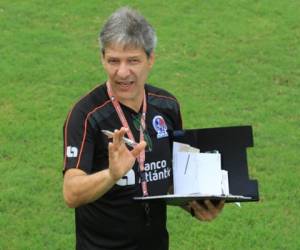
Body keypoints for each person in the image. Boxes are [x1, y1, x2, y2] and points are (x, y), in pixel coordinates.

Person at [63, 7, 224, 250]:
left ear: (151, 60)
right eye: (113, 61)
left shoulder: (167, 106)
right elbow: (71, 193)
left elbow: (171, 178)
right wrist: (111, 175)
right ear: (102, 59)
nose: (122, 72)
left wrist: (196, 204)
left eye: (133, 61)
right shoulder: (86, 115)